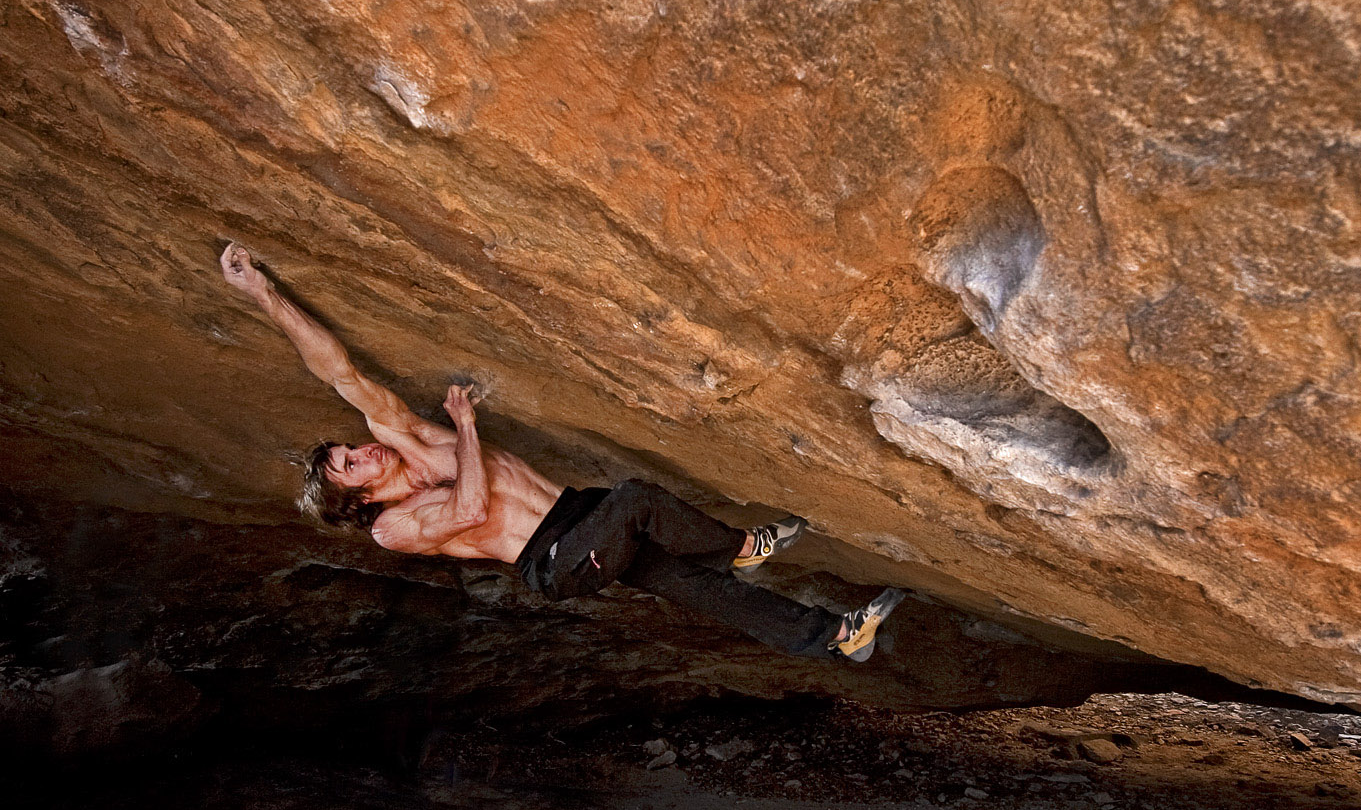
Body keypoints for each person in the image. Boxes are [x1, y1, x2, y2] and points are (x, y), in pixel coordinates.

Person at [219, 241, 905, 662]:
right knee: (636, 500)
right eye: (348, 464)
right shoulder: (393, 527)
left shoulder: (406, 440)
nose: (360, 449)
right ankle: (741, 545)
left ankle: (835, 637)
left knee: (699, 590)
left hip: (584, 521)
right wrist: (464, 426)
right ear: (357, 498)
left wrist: (263, 292)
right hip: (557, 562)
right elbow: (469, 510)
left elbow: (338, 372)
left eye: (347, 446)